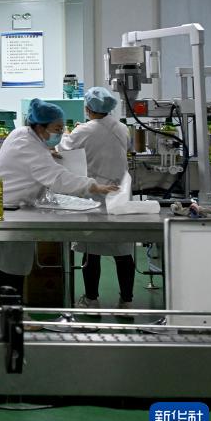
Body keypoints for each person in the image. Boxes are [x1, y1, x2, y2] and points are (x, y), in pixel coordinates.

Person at [0, 98, 118, 306]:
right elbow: (57, 178)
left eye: (62, 129)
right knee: (11, 264)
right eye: (57, 129)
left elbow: (37, 161)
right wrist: (93, 186)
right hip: (10, 208)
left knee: (1, 261)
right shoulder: (28, 145)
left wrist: (47, 151)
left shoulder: (22, 134)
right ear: (40, 126)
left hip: (6, 206)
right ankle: (11, 313)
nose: (60, 133)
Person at [57, 86, 135, 309]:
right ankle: (127, 301)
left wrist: (68, 132)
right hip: (120, 194)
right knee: (123, 250)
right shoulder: (122, 128)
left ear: (88, 108)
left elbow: (63, 146)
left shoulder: (85, 129)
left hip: (95, 194)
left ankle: (91, 299)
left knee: (92, 250)